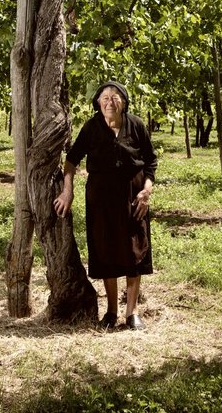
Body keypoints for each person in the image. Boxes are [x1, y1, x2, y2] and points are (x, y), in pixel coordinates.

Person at [53, 81, 157, 330]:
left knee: (135, 250)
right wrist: (68, 190)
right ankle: (111, 311)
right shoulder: (91, 127)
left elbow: (151, 161)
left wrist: (147, 190)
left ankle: (132, 312)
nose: (110, 101)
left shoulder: (136, 125)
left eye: (115, 97)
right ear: (98, 103)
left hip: (134, 197)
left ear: (124, 101)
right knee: (106, 249)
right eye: (105, 97)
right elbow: (72, 159)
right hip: (100, 200)